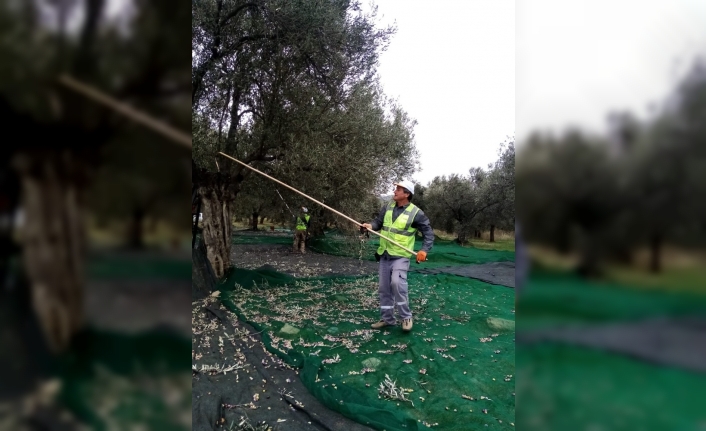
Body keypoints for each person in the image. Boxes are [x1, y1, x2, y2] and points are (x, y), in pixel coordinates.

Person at [362, 180, 434, 332]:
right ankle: (387, 319)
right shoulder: (387, 207)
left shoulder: (416, 213)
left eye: (398, 189)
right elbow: (378, 222)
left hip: (401, 256)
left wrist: (424, 250)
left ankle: (406, 317)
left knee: (397, 284)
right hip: (384, 254)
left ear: (407, 194)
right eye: (395, 189)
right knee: (384, 288)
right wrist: (370, 226)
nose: (395, 191)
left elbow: (428, 233)